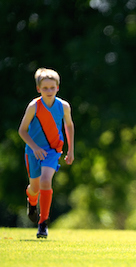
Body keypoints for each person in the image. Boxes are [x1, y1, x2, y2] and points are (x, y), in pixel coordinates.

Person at [18, 68, 75, 238]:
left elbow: (69, 125)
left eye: (52, 87)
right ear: (38, 89)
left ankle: (43, 223)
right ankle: (32, 201)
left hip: (53, 150)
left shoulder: (63, 106)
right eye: (45, 88)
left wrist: (71, 150)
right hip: (33, 152)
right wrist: (35, 147)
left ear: (58, 87)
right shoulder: (33, 106)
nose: (49, 91)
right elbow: (22, 131)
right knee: (34, 188)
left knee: (45, 180)